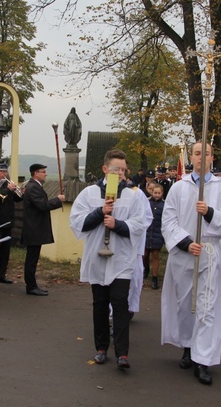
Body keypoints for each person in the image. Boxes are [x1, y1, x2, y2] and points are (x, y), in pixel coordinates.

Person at [160, 142, 221, 386]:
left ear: (213, 157)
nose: (202, 157)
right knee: (185, 304)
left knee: (206, 306)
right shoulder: (178, 187)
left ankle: (203, 359)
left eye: (207, 153)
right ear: (190, 156)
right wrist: (185, 242)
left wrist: (210, 212)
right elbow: (168, 220)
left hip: (209, 252)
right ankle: (187, 345)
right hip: (184, 253)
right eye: (197, 153)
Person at [69, 149, 151, 369]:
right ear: (105, 169)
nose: (121, 173)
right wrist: (100, 212)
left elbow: (139, 224)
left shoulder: (132, 196)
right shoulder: (89, 194)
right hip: (97, 257)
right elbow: (77, 222)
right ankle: (101, 348)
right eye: (116, 169)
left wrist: (118, 225)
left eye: (123, 170)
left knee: (121, 304)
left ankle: (123, 353)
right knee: (100, 304)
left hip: (121, 259)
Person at [22, 163, 64, 296]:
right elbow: (42, 205)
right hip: (34, 228)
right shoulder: (33, 187)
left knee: (32, 258)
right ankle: (31, 286)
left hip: (34, 228)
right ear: (36, 173)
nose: (45, 174)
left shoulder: (35, 186)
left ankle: (32, 285)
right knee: (32, 259)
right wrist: (58, 200)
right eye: (43, 172)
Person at [143, 183, 165, 289]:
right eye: (155, 192)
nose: (156, 195)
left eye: (158, 193)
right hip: (147, 232)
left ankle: (154, 278)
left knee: (155, 255)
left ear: (162, 193)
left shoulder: (164, 205)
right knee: (145, 254)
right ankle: (146, 269)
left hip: (157, 233)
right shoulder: (146, 202)